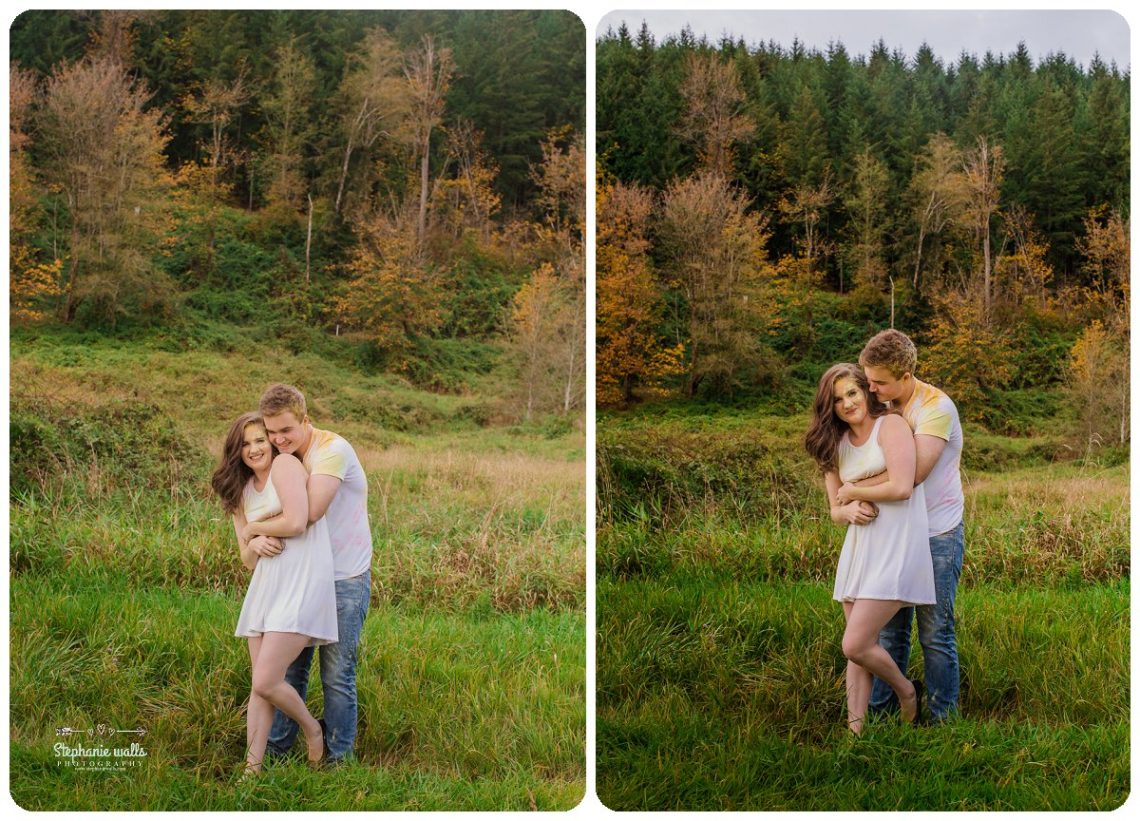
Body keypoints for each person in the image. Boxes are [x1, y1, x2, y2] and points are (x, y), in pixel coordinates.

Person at [805, 364, 936, 734]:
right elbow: (835, 510)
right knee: (860, 649)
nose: (848, 403)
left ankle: (906, 691)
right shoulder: (833, 444)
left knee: (855, 643)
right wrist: (846, 509)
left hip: (897, 544)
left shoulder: (891, 425)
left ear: (865, 391)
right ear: (828, 406)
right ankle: (855, 732)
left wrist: (854, 491)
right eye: (838, 399)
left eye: (853, 393)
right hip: (862, 549)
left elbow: (902, 487)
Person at [248, 384, 372, 765]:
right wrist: (253, 539)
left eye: (286, 430)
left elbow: (310, 512)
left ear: (306, 420)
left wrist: (256, 527)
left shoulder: (331, 450)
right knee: (288, 671)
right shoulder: (279, 459)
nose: (278, 439)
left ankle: (338, 761)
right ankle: (279, 753)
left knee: (336, 675)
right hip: (298, 577)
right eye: (271, 432)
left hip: (343, 577)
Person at [210, 412, 336, 774]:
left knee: (266, 679)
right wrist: (255, 540)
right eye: (246, 444)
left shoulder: (286, 467)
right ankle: (253, 767)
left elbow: (297, 521)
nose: (254, 449)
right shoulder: (240, 492)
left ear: (271, 441)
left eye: (260, 439)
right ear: (237, 451)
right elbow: (247, 559)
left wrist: (255, 529)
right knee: (260, 685)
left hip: (302, 579)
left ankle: (313, 730)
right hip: (267, 586)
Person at [858, 329, 965, 724]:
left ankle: (942, 720)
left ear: (906, 376)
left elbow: (912, 474)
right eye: (868, 378)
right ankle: (885, 715)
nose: (870, 387)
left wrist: (851, 489)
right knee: (889, 632)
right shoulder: (878, 403)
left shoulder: (936, 407)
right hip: (892, 534)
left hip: (937, 532)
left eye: (879, 381)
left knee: (935, 633)